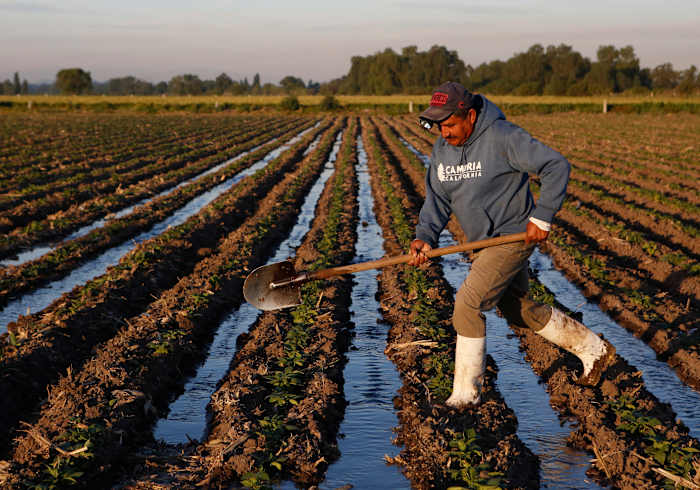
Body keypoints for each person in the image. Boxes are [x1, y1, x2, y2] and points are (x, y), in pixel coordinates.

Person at [409, 81, 616, 407]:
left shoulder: (502, 136)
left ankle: (466, 397)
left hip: (511, 237)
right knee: (518, 310)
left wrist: (542, 215)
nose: (444, 132)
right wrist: (424, 237)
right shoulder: (442, 150)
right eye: (439, 126)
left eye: (450, 124)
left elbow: (555, 165)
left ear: (471, 116)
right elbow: (437, 200)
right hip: (482, 242)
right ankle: (594, 349)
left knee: (467, 305)